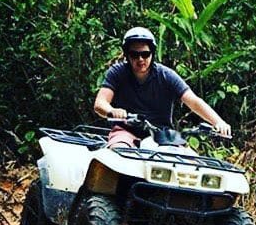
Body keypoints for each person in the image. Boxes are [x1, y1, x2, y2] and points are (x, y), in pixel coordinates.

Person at [93, 26, 231, 148]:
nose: (140, 59)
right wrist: (112, 111)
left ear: (152, 54)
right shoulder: (117, 72)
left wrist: (218, 122)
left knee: (190, 161)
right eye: (134, 55)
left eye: (145, 54)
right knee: (118, 150)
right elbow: (100, 103)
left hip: (163, 136)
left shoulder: (165, 75)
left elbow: (193, 101)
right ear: (127, 55)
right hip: (126, 131)